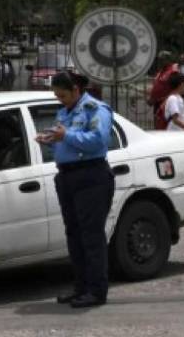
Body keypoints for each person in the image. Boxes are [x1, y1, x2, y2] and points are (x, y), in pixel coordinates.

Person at [36, 71, 114, 309]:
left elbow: (98, 140)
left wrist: (66, 135)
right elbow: (66, 141)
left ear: (76, 90)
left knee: (91, 236)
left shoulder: (95, 109)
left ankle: (96, 291)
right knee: (74, 235)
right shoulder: (64, 111)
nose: (60, 100)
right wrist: (52, 140)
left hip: (91, 176)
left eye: (63, 95)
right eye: (57, 96)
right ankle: (81, 288)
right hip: (67, 176)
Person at [148, 51, 179, 129]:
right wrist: (152, 97)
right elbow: (157, 87)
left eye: (162, 59)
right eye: (159, 60)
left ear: (168, 60)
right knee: (157, 126)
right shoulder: (161, 71)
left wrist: (165, 100)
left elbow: (176, 89)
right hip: (157, 104)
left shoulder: (173, 71)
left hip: (165, 104)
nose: (159, 62)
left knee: (164, 127)